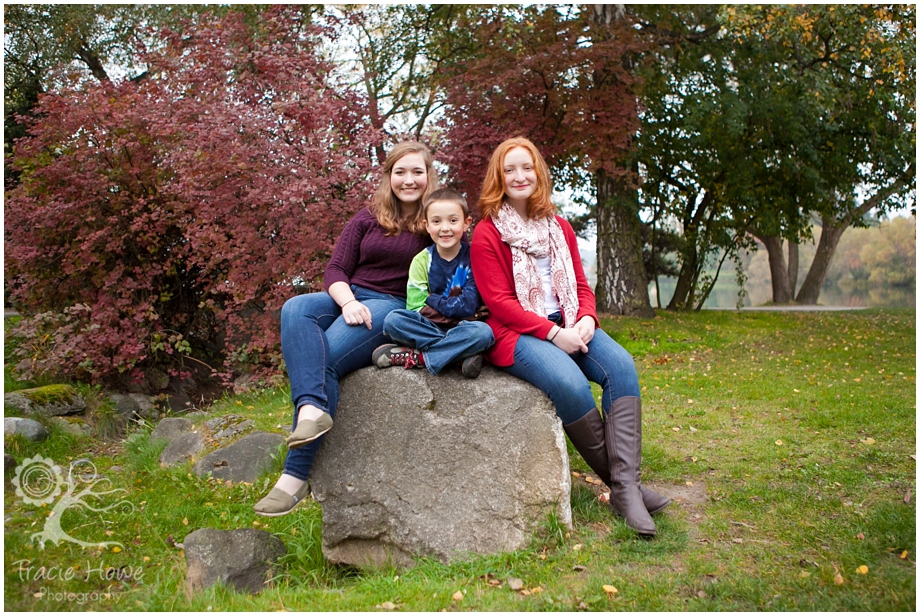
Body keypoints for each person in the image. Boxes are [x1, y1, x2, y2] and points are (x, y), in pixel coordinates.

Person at [470, 136, 670, 536]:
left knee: (621, 367)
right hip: (516, 332)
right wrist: (552, 333)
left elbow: (580, 284)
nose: (519, 175)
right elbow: (500, 302)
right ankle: (625, 490)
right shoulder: (487, 234)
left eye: (526, 167)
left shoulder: (559, 226)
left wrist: (588, 321)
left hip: (570, 320)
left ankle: (625, 489)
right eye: (509, 169)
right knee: (570, 383)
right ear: (499, 177)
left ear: (539, 172)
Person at [254, 141, 437, 517]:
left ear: (428, 176)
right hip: (349, 297)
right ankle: (310, 410)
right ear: (388, 176)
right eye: (400, 171)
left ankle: (294, 478)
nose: (408, 179)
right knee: (297, 307)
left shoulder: (435, 220)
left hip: (390, 306)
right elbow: (335, 270)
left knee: (327, 358)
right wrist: (348, 302)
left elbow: (456, 264)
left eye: (417, 171)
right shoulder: (368, 217)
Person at [373, 188, 494, 378]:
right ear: (427, 225)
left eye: (453, 221)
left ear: (466, 224)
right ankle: (457, 355)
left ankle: (419, 357)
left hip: (464, 326)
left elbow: (468, 305)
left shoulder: (473, 258)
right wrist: (450, 309)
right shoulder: (422, 260)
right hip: (428, 326)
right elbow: (415, 307)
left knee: (483, 333)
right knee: (393, 321)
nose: (445, 228)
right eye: (437, 221)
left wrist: (432, 299)